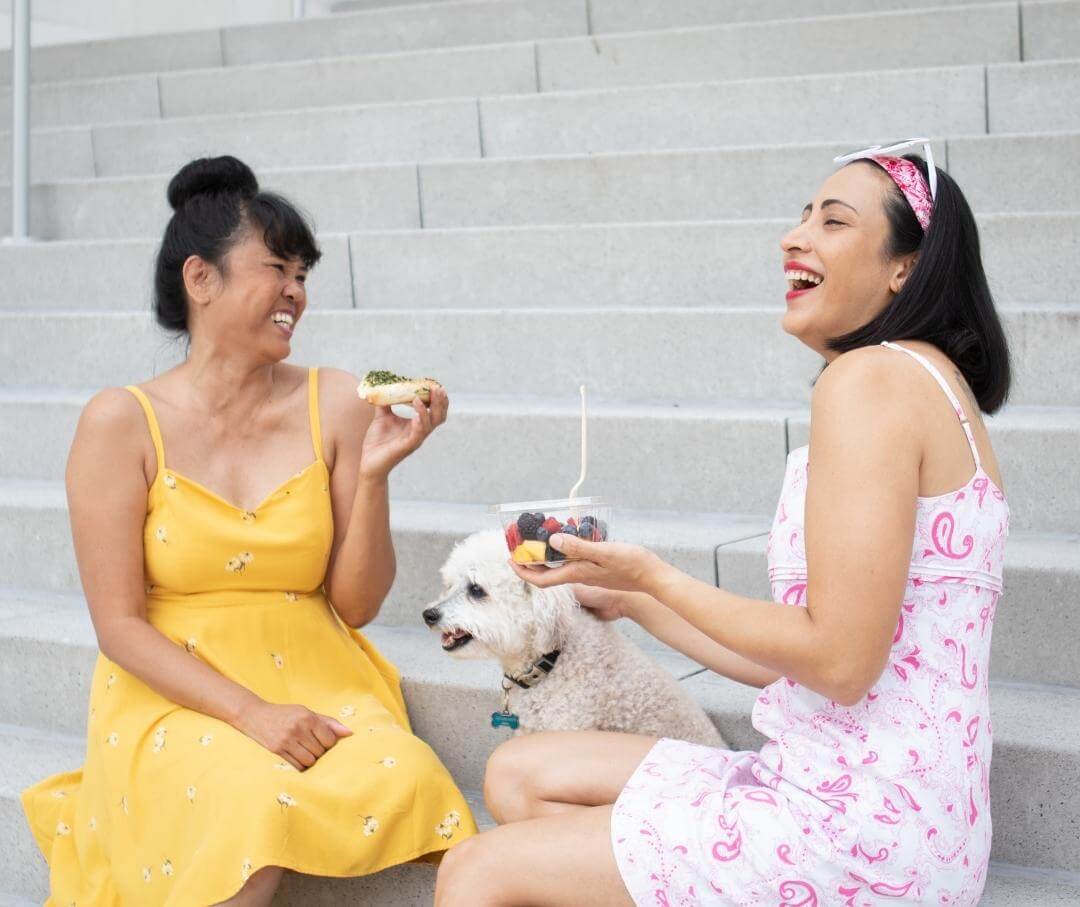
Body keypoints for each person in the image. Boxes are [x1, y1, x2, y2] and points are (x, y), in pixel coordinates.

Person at [434, 146, 1011, 905]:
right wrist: (634, 601)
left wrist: (652, 573)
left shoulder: (868, 382)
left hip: (857, 831)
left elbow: (838, 662)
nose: (795, 237)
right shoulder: (929, 379)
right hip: (910, 812)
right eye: (803, 215)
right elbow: (812, 665)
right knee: (518, 773)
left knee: (478, 869)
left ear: (906, 267)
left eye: (833, 221)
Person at [21, 155, 477, 906]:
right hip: (175, 688)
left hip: (317, 672)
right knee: (245, 798)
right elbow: (118, 625)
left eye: (303, 273)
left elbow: (356, 604)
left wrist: (373, 475)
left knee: (407, 772)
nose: (296, 292)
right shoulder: (120, 422)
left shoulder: (336, 401)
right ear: (201, 280)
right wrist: (250, 713)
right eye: (277, 268)